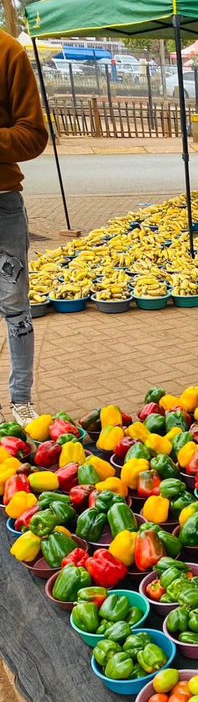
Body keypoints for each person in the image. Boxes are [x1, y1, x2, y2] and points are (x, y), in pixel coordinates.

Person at [0, 29, 48, 427]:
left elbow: (33, 134)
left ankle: (21, 400)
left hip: (1, 203)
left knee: (15, 304)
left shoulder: (8, 52)